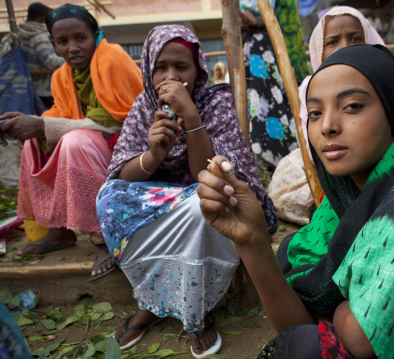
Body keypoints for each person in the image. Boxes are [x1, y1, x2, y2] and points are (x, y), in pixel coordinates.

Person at [197, 44, 394, 358]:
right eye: (314, 113)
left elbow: (361, 334)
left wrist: (340, 314)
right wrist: (252, 239)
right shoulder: (338, 208)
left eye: (352, 106)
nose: (327, 126)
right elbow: (302, 331)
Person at [95, 25, 277, 357]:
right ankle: (155, 299)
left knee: (206, 202)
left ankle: (194, 310)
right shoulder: (143, 107)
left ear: (198, 70)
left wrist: (192, 117)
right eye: (161, 67)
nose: (171, 76)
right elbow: (120, 174)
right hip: (164, 206)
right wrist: (153, 156)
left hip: (201, 202)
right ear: (148, 70)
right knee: (108, 199)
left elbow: (212, 174)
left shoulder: (215, 102)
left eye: (182, 67)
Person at [0, 4, 143, 281]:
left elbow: (120, 122)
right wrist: (33, 125)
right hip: (96, 144)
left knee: (75, 141)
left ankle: (106, 238)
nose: (72, 47)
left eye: (80, 38)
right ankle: (58, 231)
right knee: (34, 144)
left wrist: (42, 124)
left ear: (96, 35)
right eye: (63, 42)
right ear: (53, 44)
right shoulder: (61, 76)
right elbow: (60, 116)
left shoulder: (113, 58)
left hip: (132, 149)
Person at [298, 6, 385, 162]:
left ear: (368, 41)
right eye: (333, 42)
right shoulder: (309, 88)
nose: (345, 48)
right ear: (319, 51)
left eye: (355, 39)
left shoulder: (385, 82)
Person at [240, 0, 307, 170]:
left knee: (270, 99)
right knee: (258, 99)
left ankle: (279, 156)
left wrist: (252, 18)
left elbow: (261, 18)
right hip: (253, 49)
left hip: (264, 49)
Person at [18, 2, 65, 109]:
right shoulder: (39, 37)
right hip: (45, 90)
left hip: (29, 89)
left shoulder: (18, 35)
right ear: (41, 19)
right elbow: (51, 62)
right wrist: (72, 59)